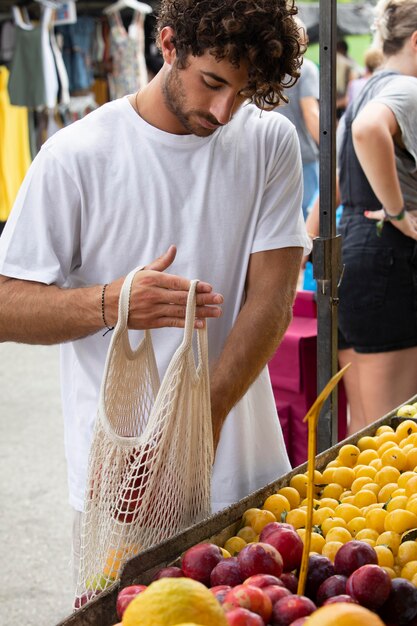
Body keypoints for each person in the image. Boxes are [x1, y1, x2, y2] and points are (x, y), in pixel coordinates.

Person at [0, 0, 311, 578]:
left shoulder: (270, 143)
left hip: (245, 469)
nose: (224, 111)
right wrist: (111, 302)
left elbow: (271, 299)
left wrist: (199, 425)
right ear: (168, 45)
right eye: (212, 82)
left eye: (242, 94)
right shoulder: (76, 156)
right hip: (125, 479)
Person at [337, 0, 417, 435]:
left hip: (353, 254)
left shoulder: (364, 89)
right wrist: (399, 212)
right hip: (387, 258)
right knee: (395, 433)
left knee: (363, 431)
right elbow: (368, 132)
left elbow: (337, 182)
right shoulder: (407, 89)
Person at [276, 19, 320, 218]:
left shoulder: (259, 69)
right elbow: (311, 114)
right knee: (305, 217)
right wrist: (332, 150)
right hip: (301, 156)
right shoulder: (305, 68)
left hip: (268, 155)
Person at [336, 39, 359, 119]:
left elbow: (351, 97)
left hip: (346, 113)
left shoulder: (350, 69)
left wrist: (336, 104)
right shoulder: (341, 66)